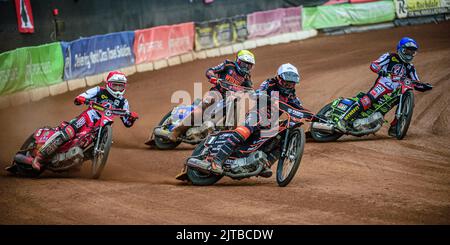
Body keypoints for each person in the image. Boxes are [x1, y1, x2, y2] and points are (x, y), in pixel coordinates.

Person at [210, 63, 314, 177]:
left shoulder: (292, 96)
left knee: (283, 136)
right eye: (286, 83)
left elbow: (300, 108)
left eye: (291, 84)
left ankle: (265, 163)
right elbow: (258, 92)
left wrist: (315, 118)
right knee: (246, 129)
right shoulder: (269, 83)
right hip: (257, 114)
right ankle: (217, 160)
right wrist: (266, 97)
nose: (288, 86)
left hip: (271, 123)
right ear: (279, 78)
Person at [31, 71, 139, 171]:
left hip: (99, 127)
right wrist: (81, 99)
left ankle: (74, 162)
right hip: (87, 118)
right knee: (68, 133)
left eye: (120, 86)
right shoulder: (99, 91)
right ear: (108, 84)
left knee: (91, 150)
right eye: (114, 85)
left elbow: (127, 122)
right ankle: (39, 157)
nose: (117, 89)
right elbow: (82, 97)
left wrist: (131, 118)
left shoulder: (123, 102)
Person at [336, 37, 432, 135]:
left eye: (412, 52)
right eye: (407, 51)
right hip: (383, 85)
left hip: (395, 92)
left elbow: (416, 82)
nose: (409, 54)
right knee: (367, 100)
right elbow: (374, 64)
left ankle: (395, 127)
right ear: (401, 49)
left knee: (404, 100)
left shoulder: (410, 67)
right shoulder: (390, 56)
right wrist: (380, 70)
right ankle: (343, 120)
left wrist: (425, 86)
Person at [167, 49, 256, 141]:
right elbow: (211, 70)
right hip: (217, 93)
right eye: (245, 64)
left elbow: (251, 90)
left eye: (249, 66)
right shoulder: (228, 65)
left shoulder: (246, 77)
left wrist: (256, 96)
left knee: (238, 109)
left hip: (229, 98)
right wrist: (213, 78)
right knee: (208, 101)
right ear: (238, 61)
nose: (246, 68)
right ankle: (176, 131)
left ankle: (228, 136)